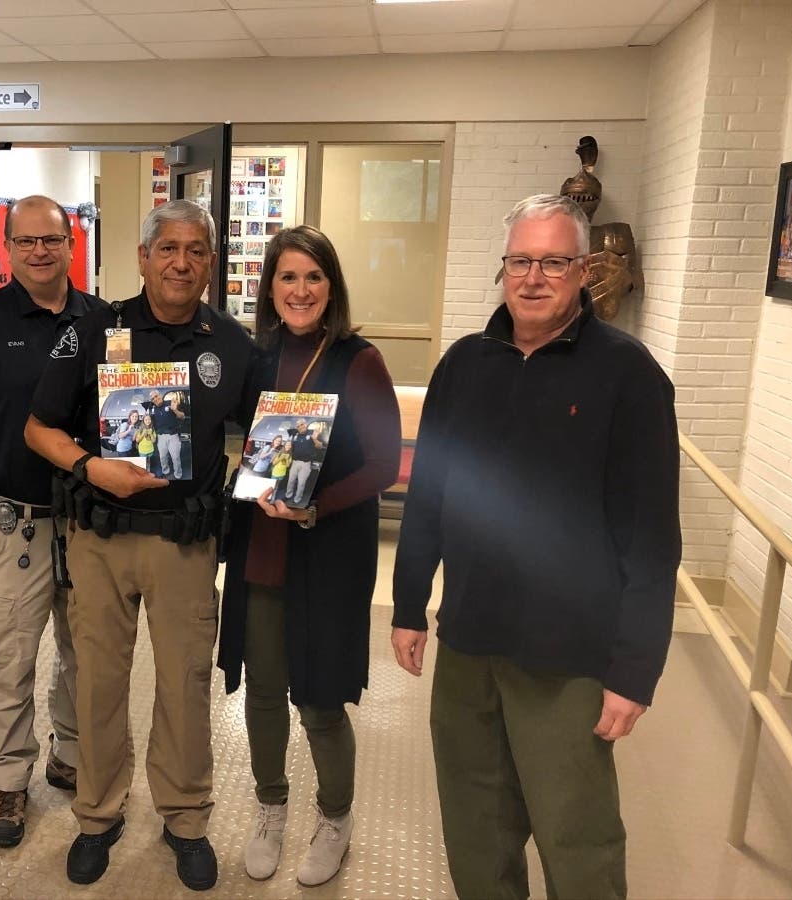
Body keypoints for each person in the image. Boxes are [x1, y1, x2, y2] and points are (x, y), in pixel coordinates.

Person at [391, 194, 681, 899]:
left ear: (584, 271)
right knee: (475, 828)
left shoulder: (628, 376)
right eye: (520, 260)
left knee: (575, 836)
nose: (533, 277)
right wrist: (407, 604)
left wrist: (634, 670)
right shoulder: (464, 364)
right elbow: (427, 492)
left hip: (568, 658)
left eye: (553, 261)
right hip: (469, 641)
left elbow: (652, 537)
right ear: (503, 269)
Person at [25, 199, 257, 892]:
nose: (181, 262)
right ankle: (97, 817)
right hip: (99, 538)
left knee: (185, 686)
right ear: (143, 257)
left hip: (185, 541)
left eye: (195, 251)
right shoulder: (94, 330)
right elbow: (39, 428)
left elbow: (259, 436)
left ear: (211, 265)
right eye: (168, 249)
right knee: (96, 682)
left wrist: (272, 481)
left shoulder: (234, 345)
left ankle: (185, 820)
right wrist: (89, 467)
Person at [217, 225, 399, 886]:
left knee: (319, 701)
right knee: (262, 692)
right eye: (287, 277)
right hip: (260, 553)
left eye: (313, 277)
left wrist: (317, 506)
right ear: (270, 287)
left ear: (333, 286)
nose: (300, 290)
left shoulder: (360, 360)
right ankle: (270, 808)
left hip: (326, 557)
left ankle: (335, 819)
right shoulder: (258, 358)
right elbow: (232, 430)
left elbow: (383, 465)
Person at [0, 195, 105, 849]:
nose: (40, 251)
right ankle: (8, 781)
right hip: (13, 523)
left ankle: (72, 754)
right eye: (26, 241)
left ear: (70, 244)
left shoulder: (102, 320)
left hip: (91, 523)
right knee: (11, 660)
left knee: (86, 654)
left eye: (52, 240)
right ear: (7, 247)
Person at [143, 388, 186, 478]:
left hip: (173, 436)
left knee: (176, 457)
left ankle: (178, 475)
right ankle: (166, 471)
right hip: (160, 437)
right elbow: (148, 421)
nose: (155, 399)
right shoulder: (152, 409)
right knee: (163, 457)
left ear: (160, 395)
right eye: (152, 399)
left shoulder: (170, 403)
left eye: (156, 396)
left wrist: (175, 410)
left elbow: (182, 417)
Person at [284, 418, 325, 506]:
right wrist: (288, 450)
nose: (300, 427)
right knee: (290, 480)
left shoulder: (312, 433)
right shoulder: (295, 435)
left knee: (301, 483)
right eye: (298, 426)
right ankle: (288, 495)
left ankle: (297, 499)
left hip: (305, 464)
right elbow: (290, 449)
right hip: (294, 462)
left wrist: (314, 439)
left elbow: (320, 446)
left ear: (305, 424)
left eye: (302, 424)